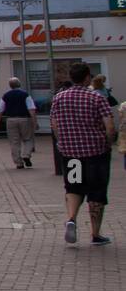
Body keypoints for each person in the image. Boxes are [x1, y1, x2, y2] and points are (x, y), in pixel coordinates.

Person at [51, 62, 117, 246]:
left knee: (73, 187)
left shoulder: (59, 98)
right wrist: (108, 142)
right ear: (87, 77)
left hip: (71, 154)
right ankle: (95, 234)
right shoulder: (97, 98)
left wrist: (62, 142)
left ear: (71, 78)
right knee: (97, 191)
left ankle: (71, 218)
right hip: (96, 154)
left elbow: (55, 124)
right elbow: (109, 126)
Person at [0, 77, 37, 169]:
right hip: (25, 119)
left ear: (10, 85)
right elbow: (31, 109)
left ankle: (18, 163)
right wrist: (34, 121)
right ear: (19, 84)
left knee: (14, 142)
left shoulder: (6, 95)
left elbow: (0, 109)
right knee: (28, 138)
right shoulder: (25, 95)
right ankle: (26, 155)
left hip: (11, 119)